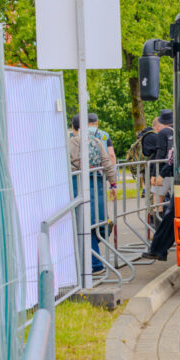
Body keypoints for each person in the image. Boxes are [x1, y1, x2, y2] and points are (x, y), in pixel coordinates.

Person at [70, 114, 117, 274]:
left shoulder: (70, 143)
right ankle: (92, 258)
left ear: (73, 128)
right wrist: (113, 184)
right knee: (97, 222)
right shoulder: (97, 142)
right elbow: (107, 162)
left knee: (84, 224)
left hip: (78, 185)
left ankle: (94, 264)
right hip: (97, 185)